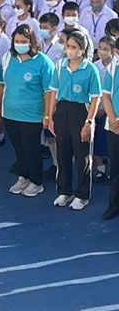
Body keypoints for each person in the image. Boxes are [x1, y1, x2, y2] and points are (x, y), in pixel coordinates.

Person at [0, 24, 55, 198]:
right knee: (19, 148)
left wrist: (47, 115)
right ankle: (23, 177)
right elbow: (0, 85)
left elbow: (49, 92)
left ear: (31, 42)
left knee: (31, 149)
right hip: (10, 113)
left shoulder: (43, 62)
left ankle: (36, 181)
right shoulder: (8, 58)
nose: (20, 44)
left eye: (24, 41)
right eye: (17, 41)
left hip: (33, 115)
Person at [47, 30, 101, 210]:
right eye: (67, 46)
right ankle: (64, 191)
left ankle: (82, 194)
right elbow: (53, 92)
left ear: (83, 49)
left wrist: (89, 122)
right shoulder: (60, 66)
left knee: (82, 156)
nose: (69, 50)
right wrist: (50, 116)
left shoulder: (90, 69)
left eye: (73, 47)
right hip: (62, 110)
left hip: (80, 111)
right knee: (62, 154)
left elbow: (95, 98)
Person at [101, 36, 119, 219]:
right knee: (115, 169)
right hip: (114, 128)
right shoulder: (112, 68)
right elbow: (105, 96)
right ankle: (114, 206)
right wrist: (113, 119)